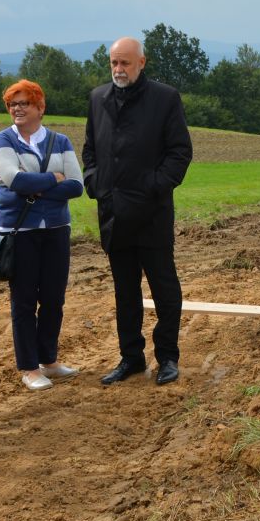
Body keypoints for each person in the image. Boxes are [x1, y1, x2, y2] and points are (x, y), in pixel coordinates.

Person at [83, 36, 192, 387]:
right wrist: (95, 184)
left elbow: (179, 153)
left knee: (165, 289)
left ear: (141, 63)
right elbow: (90, 151)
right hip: (113, 215)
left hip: (151, 214)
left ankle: (168, 357)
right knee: (124, 292)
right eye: (114, 62)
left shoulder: (165, 99)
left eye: (125, 63)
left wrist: (154, 186)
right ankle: (130, 357)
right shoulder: (98, 98)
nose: (118, 69)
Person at [0, 79, 85, 391]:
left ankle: (50, 361)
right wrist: (53, 180)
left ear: (40, 107)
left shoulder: (60, 140)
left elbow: (77, 185)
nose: (17, 108)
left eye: (24, 103)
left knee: (54, 299)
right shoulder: (1, 141)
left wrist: (38, 184)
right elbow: (15, 181)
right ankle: (29, 368)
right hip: (20, 232)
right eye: (12, 104)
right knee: (24, 301)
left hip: (56, 230)